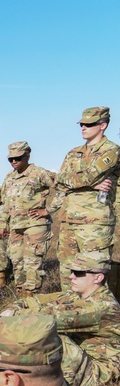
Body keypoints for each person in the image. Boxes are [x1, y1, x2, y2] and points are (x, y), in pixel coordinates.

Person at [0, 254, 120, 386]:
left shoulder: (101, 306)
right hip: (82, 360)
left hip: (98, 375)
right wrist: (13, 310)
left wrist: (12, 314)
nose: (71, 277)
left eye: (79, 273)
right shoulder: (76, 295)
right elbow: (34, 301)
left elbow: (45, 319)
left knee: (47, 334)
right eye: (71, 272)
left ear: (98, 277)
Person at [45, 107, 120, 285]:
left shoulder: (111, 150)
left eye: (89, 124)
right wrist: (90, 184)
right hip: (69, 220)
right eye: (82, 124)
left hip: (95, 224)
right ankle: (70, 310)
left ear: (103, 125)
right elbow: (59, 181)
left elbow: (87, 175)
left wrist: (76, 181)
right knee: (67, 272)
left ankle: (100, 312)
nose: (83, 128)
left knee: (94, 274)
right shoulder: (73, 152)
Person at [0, 141, 55, 296]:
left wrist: (48, 210)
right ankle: (21, 297)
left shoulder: (39, 173)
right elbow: (6, 204)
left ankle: (31, 298)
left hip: (35, 224)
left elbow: (63, 187)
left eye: (18, 158)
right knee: (17, 261)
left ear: (27, 156)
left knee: (32, 263)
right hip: (15, 226)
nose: (14, 162)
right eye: (11, 159)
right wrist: (3, 224)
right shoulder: (9, 177)